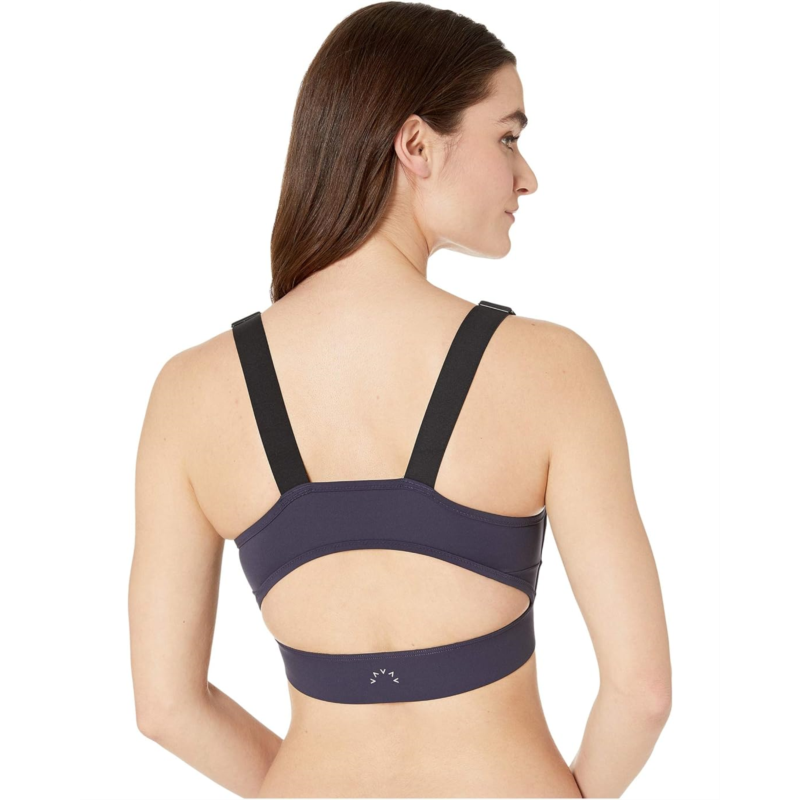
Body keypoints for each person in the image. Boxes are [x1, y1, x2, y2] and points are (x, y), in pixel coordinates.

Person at [128, 2, 672, 797]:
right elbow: (642, 692)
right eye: (507, 137)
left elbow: (165, 708)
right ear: (415, 145)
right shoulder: (550, 369)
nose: (526, 176)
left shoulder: (189, 393)